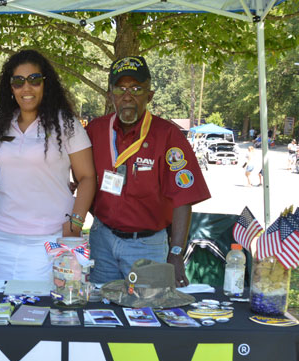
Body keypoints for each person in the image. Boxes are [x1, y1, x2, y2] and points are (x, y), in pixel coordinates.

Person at [85, 56, 210, 287]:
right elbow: (84, 179)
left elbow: (183, 199)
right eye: (120, 89)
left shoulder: (167, 135)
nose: (128, 96)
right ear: (111, 95)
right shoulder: (95, 130)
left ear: (149, 95)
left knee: (146, 316)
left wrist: (175, 253)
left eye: (136, 88)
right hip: (102, 240)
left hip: (147, 246)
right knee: (101, 312)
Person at [0, 49, 96, 281]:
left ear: (46, 83)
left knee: (43, 313)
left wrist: (75, 224)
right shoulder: (1, 126)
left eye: (34, 80)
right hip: (2, 238)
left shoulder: (66, 124)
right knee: (2, 310)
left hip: (51, 237)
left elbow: (87, 177)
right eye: (18, 81)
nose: (26, 88)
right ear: (10, 87)